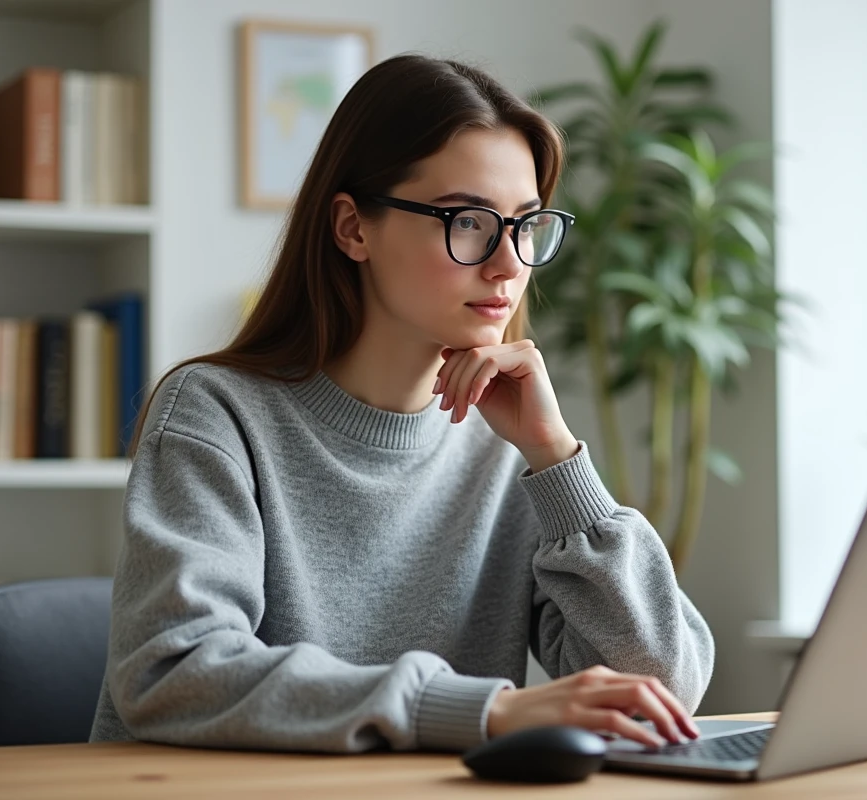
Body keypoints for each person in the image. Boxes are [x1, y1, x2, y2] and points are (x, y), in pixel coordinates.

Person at [89, 53, 714, 755]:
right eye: (469, 220)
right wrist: (481, 711)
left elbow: (662, 686)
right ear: (354, 228)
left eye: (526, 224)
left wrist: (557, 460)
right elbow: (174, 672)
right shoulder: (215, 415)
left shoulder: (513, 447)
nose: (509, 263)